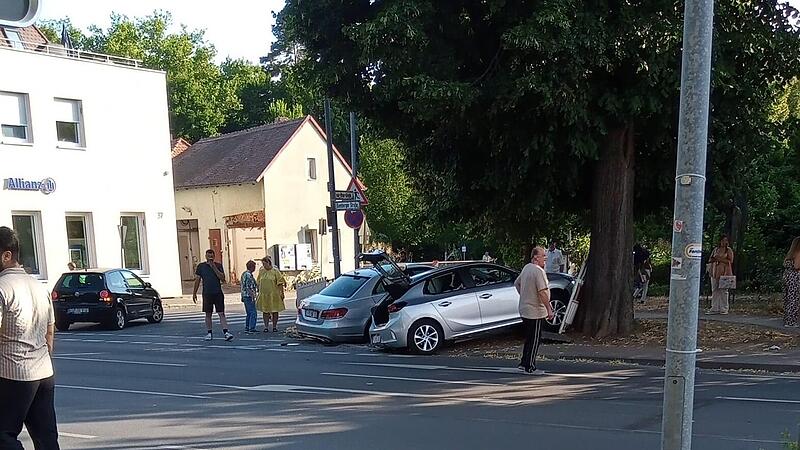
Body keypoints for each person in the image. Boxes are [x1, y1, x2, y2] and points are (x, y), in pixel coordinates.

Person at [0, 226, 60, 450]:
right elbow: (49, 333)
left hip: (12, 373)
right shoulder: (39, 287)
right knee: (46, 438)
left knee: (3, 435)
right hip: (44, 373)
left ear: (7, 256)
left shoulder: (2, 289)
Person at [514, 246, 554, 375]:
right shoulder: (538, 271)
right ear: (536, 257)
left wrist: (525, 295)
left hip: (525, 308)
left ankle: (523, 362)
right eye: (543, 256)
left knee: (529, 337)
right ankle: (530, 366)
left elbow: (517, 283)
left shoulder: (526, 268)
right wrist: (549, 308)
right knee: (535, 338)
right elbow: (542, 292)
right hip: (535, 310)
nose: (545, 259)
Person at [192, 249, 233, 341]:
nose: (210, 257)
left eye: (212, 255)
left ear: (214, 256)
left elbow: (222, 278)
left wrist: (214, 267)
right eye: (208, 255)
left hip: (217, 292)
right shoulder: (201, 267)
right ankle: (209, 332)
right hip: (207, 293)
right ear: (205, 256)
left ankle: (226, 332)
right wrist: (194, 293)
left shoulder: (218, 265)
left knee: (221, 313)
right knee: (208, 313)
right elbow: (197, 280)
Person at [256, 256, 286, 332]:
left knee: (274, 311)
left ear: (269, 263)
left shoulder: (275, 271)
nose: (264, 265)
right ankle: (266, 326)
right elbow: (258, 281)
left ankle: (274, 326)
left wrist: (281, 293)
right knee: (265, 311)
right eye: (263, 264)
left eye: (265, 264)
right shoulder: (262, 271)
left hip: (274, 294)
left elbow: (280, 283)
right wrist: (257, 291)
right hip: (264, 294)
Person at [707, 235, 734, 315]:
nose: (723, 242)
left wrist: (720, 259)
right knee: (715, 290)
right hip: (715, 271)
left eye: (725, 240)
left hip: (724, 272)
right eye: (722, 240)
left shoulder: (728, 250)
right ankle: (715, 307)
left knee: (723, 290)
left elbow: (730, 261)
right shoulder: (716, 249)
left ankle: (724, 308)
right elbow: (710, 259)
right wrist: (714, 259)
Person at [783, 237, 800, 328]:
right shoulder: (798, 253)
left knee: (788, 298)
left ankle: (787, 319)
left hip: (787, 276)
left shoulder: (790, 254)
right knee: (794, 299)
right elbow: (797, 266)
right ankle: (791, 322)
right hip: (795, 277)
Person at [240, 260, 259, 334]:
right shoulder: (248, 275)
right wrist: (253, 295)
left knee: (249, 312)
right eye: (254, 266)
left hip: (244, 295)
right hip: (248, 295)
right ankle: (252, 327)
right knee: (253, 312)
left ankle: (247, 327)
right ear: (252, 267)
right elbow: (248, 286)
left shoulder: (244, 274)